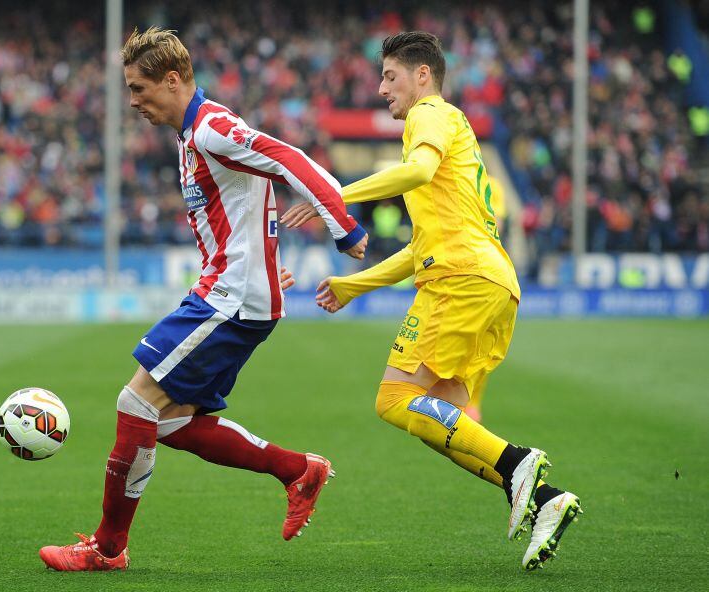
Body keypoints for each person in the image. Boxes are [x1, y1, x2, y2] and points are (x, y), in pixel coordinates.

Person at [39, 26, 368, 572]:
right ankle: (296, 470)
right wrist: (262, 266)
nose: (134, 102)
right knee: (168, 422)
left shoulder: (213, 128)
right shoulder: (191, 134)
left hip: (230, 297)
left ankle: (107, 548)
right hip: (234, 290)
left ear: (173, 81)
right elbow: (248, 202)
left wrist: (345, 227)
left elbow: (286, 157)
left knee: (135, 403)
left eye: (139, 89)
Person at [282, 31, 580, 571]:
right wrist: (354, 285)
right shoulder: (449, 131)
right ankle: (545, 499)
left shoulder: (431, 115)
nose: (380, 89)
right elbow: (421, 247)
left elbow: (416, 173)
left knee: (394, 401)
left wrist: (331, 195)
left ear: (423, 75)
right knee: (440, 421)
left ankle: (518, 463)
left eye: (390, 76)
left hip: (460, 281)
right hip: (490, 282)